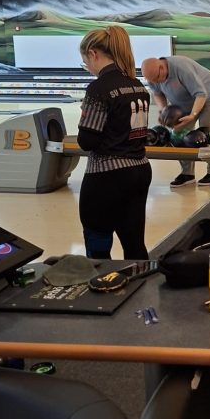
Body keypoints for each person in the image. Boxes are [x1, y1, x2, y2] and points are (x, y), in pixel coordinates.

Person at [78, 26, 152, 259]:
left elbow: (87, 140)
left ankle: (104, 284)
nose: (88, 68)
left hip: (107, 178)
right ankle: (143, 282)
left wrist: (84, 116)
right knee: (135, 246)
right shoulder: (137, 85)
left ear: (93, 54)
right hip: (139, 171)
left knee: (98, 250)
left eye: (85, 62)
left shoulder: (98, 88)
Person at [141, 55, 210, 187]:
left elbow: (201, 93)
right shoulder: (153, 76)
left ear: (161, 67)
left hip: (208, 96)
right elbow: (157, 94)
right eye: (152, 81)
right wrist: (163, 111)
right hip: (184, 102)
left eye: (157, 78)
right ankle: (187, 174)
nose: (156, 82)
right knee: (179, 135)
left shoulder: (181, 68)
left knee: (207, 133)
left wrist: (193, 115)